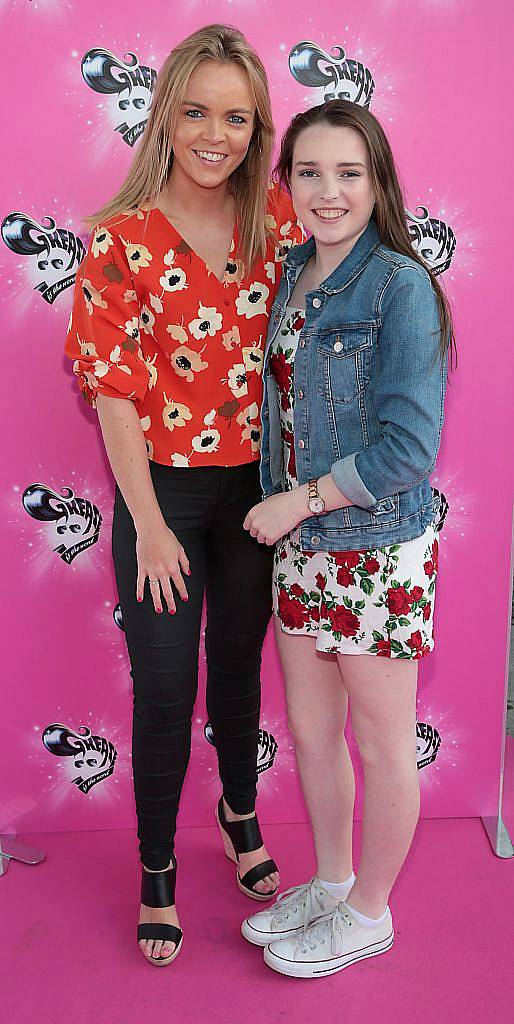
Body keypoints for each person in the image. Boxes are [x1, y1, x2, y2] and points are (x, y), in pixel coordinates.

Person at [65, 24, 303, 967]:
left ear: (257, 127)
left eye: (237, 117)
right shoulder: (120, 238)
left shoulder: (277, 219)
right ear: (167, 114)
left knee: (241, 669)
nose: (216, 133)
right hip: (159, 493)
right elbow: (114, 389)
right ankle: (156, 867)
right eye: (198, 111)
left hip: (257, 494)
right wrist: (152, 529)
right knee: (167, 685)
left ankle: (240, 812)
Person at [241, 98, 454, 978]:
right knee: (312, 730)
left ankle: (370, 913)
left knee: (379, 742)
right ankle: (331, 884)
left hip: (375, 550)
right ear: (287, 180)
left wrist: (299, 503)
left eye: (349, 172)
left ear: (378, 181)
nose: (328, 191)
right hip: (305, 550)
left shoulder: (400, 286)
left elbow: (408, 447)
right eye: (310, 171)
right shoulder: (292, 274)